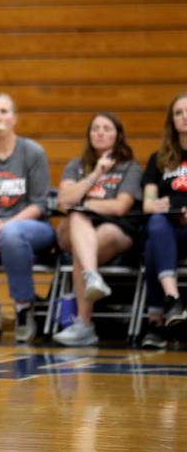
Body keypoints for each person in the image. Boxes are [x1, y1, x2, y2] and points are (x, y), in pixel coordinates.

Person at [0, 93, 56, 344]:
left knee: (12, 235)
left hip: (32, 225)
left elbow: (39, 204)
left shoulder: (33, 152)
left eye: (4, 111)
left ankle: (24, 307)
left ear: (14, 118)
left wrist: (8, 224)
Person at [52, 113, 142, 347]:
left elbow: (120, 206)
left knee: (84, 251)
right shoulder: (77, 165)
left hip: (114, 230)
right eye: (95, 129)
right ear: (89, 135)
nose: (100, 132)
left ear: (118, 135)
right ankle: (93, 278)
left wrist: (86, 203)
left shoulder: (130, 168)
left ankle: (85, 325)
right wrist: (95, 175)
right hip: (73, 228)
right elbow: (64, 199)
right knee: (77, 217)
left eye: (106, 128)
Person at [140, 93, 187, 348]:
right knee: (156, 225)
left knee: (152, 248)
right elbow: (148, 203)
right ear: (172, 121)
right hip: (170, 230)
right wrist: (156, 204)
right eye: (178, 112)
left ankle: (156, 321)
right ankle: (172, 299)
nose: (184, 117)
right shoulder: (158, 159)